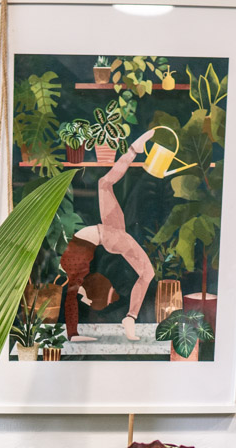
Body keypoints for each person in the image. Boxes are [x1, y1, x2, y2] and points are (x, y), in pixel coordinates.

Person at [58, 128, 158, 342]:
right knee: (147, 273)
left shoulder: (74, 262)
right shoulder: (75, 265)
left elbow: (73, 294)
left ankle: (133, 149)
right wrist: (73, 334)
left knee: (104, 184)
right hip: (106, 236)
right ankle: (130, 318)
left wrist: (74, 332)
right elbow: (73, 295)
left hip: (106, 234)